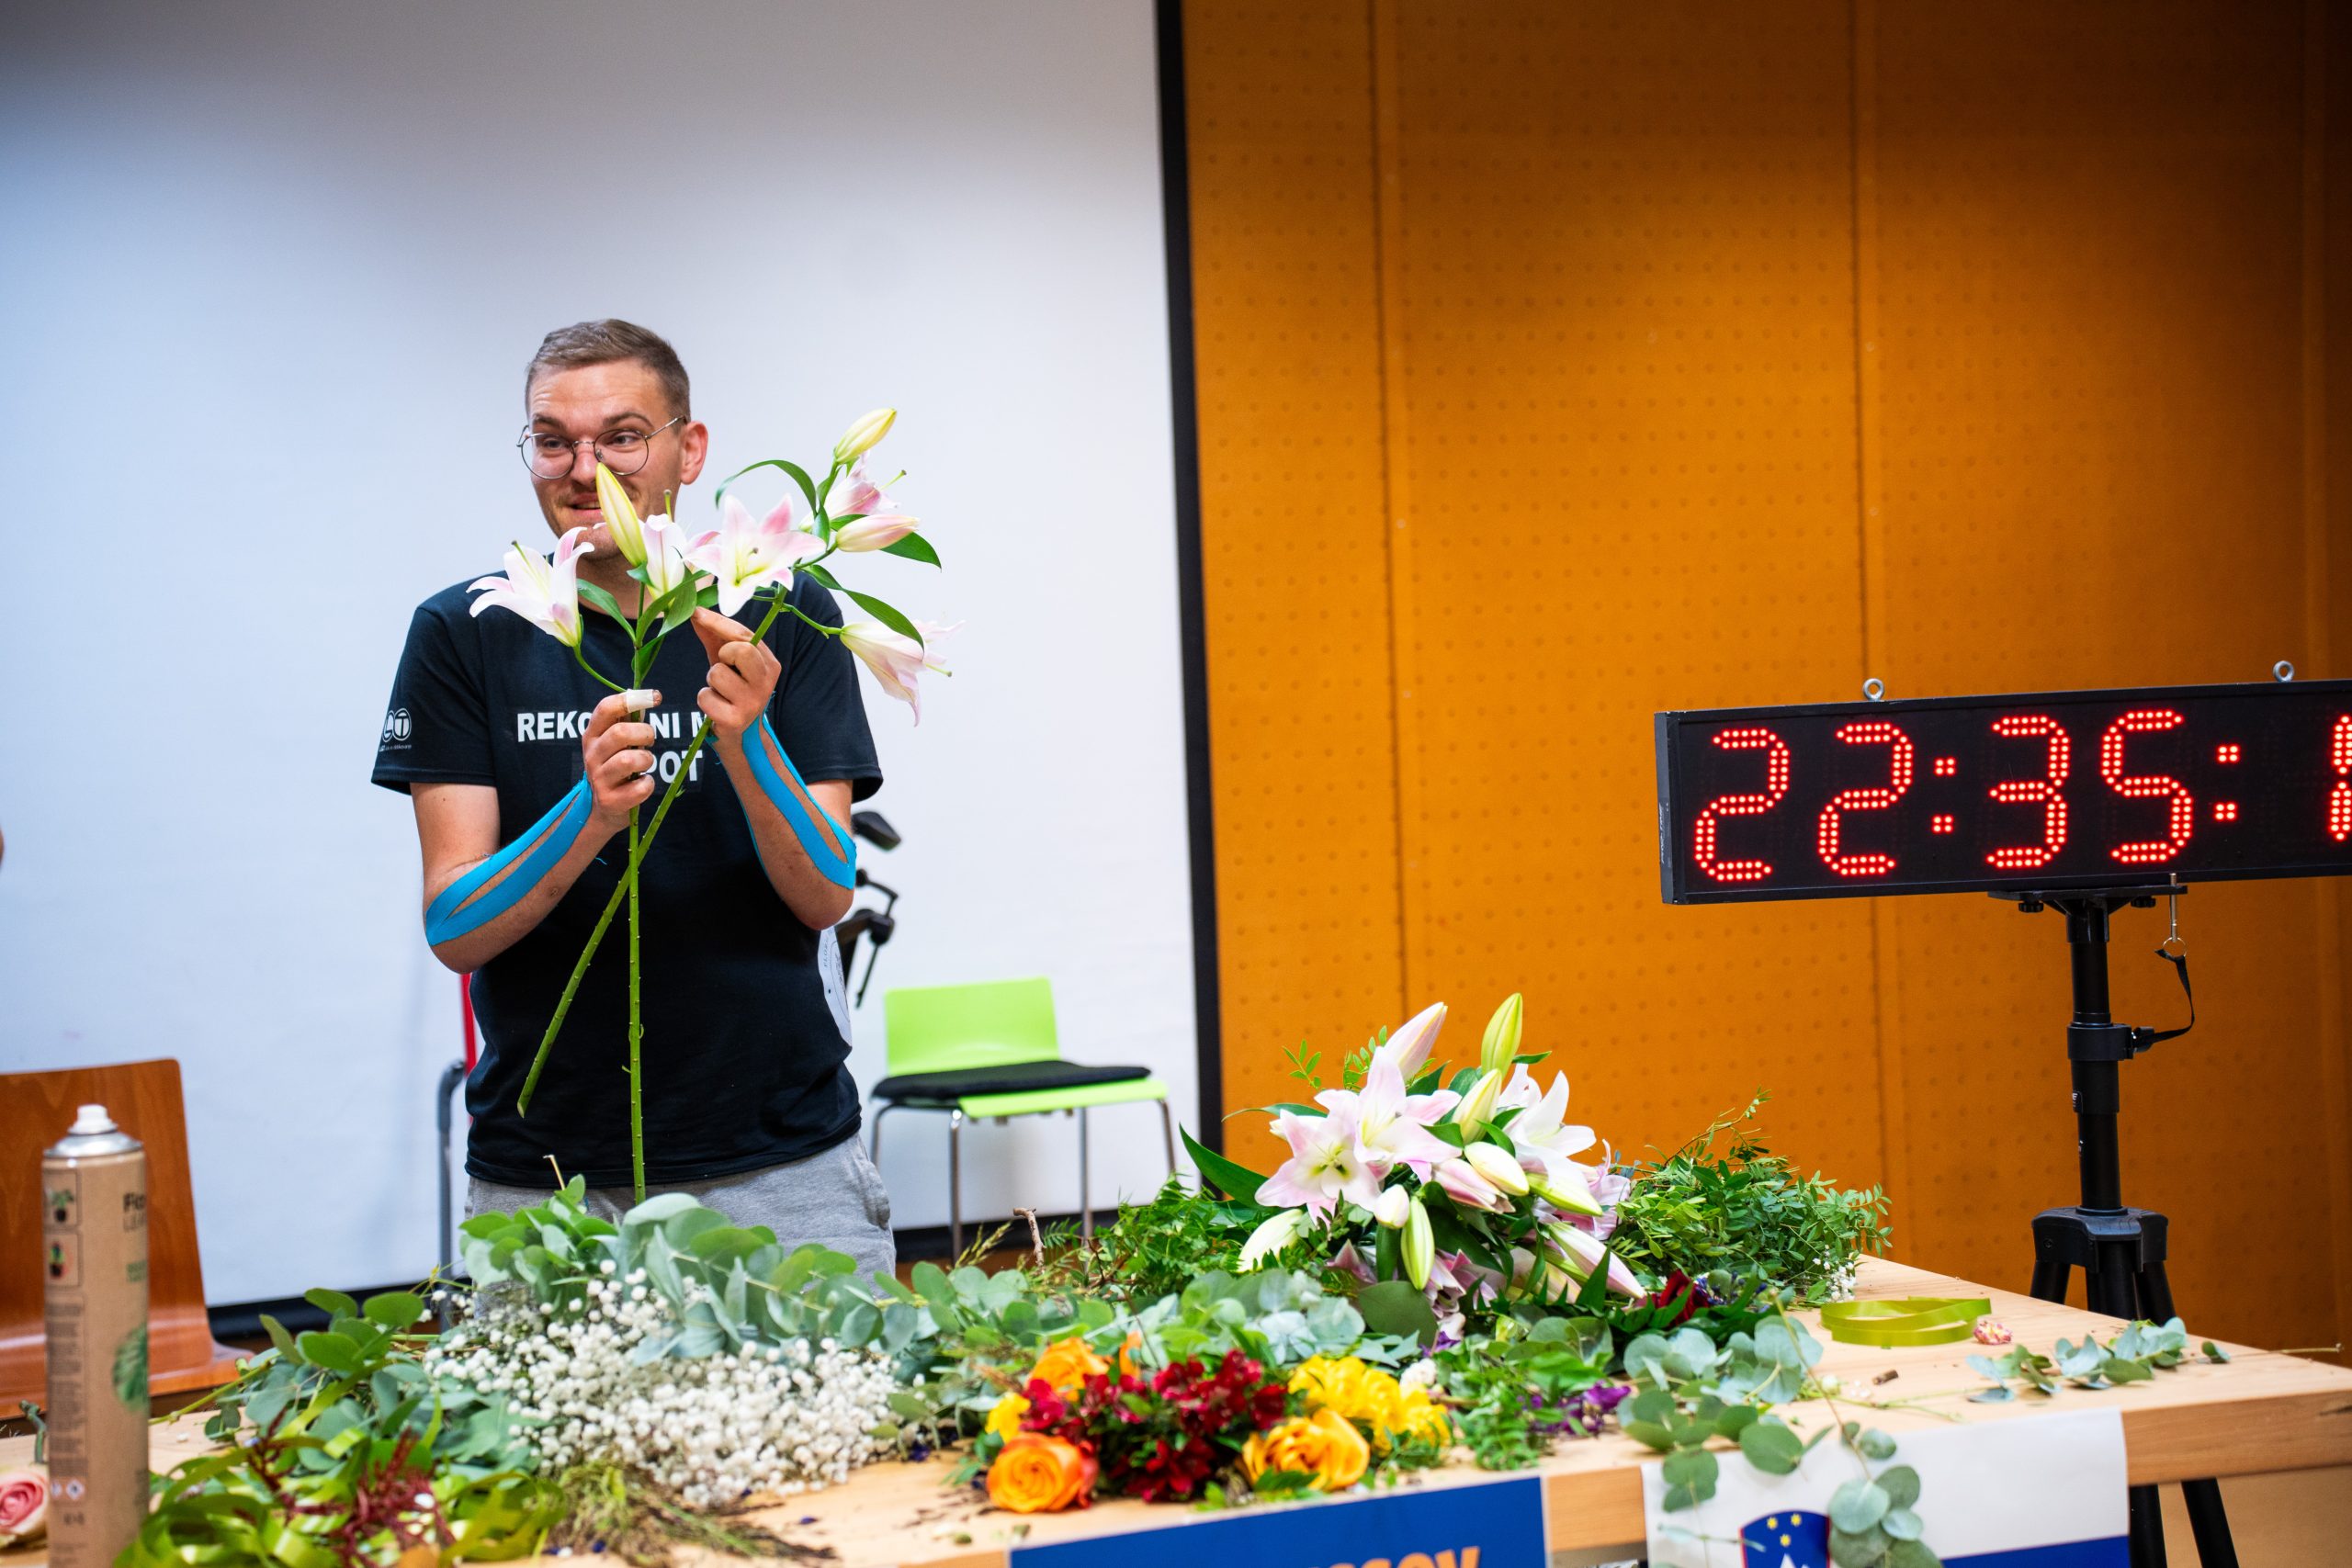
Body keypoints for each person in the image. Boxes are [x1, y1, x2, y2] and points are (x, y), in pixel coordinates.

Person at [372, 319, 893, 1280]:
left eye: (621, 437)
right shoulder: (463, 631)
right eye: (553, 441)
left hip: (782, 1164)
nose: (586, 471)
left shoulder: (783, 609)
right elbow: (453, 926)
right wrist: (591, 812)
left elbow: (826, 893)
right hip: (547, 1181)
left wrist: (747, 740)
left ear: (689, 451)